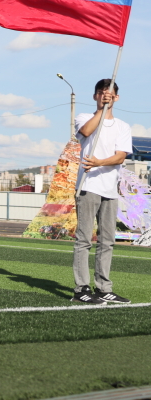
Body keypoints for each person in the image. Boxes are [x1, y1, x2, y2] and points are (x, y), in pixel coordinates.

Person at [71, 79, 132, 305]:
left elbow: (120, 156)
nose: (105, 96)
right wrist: (101, 109)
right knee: (84, 239)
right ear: (95, 96)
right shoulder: (85, 118)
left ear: (116, 97)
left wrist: (98, 162)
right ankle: (81, 288)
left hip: (110, 189)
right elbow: (86, 131)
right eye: (100, 93)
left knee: (107, 241)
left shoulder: (123, 126)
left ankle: (103, 287)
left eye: (109, 94)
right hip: (88, 186)